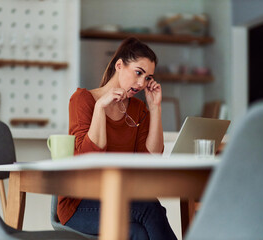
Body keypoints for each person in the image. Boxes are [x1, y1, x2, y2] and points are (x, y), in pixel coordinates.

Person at [57, 37, 177, 240]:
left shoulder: (138, 109)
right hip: (79, 204)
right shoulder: (83, 100)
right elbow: (86, 158)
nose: (142, 83)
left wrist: (155, 108)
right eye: (138, 73)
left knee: (138, 232)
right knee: (149, 207)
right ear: (119, 65)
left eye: (148, 77)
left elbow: (150, 159)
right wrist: (100, 108)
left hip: (118, 196)